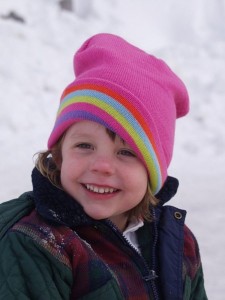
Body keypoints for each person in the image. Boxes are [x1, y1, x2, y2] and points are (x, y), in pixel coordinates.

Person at [0, 33, 208, 300]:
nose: (102, 166)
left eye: (125, 152)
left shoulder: (178, 243)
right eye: (85, 146)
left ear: (153, 172)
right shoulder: (37, 245)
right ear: (60, 154)